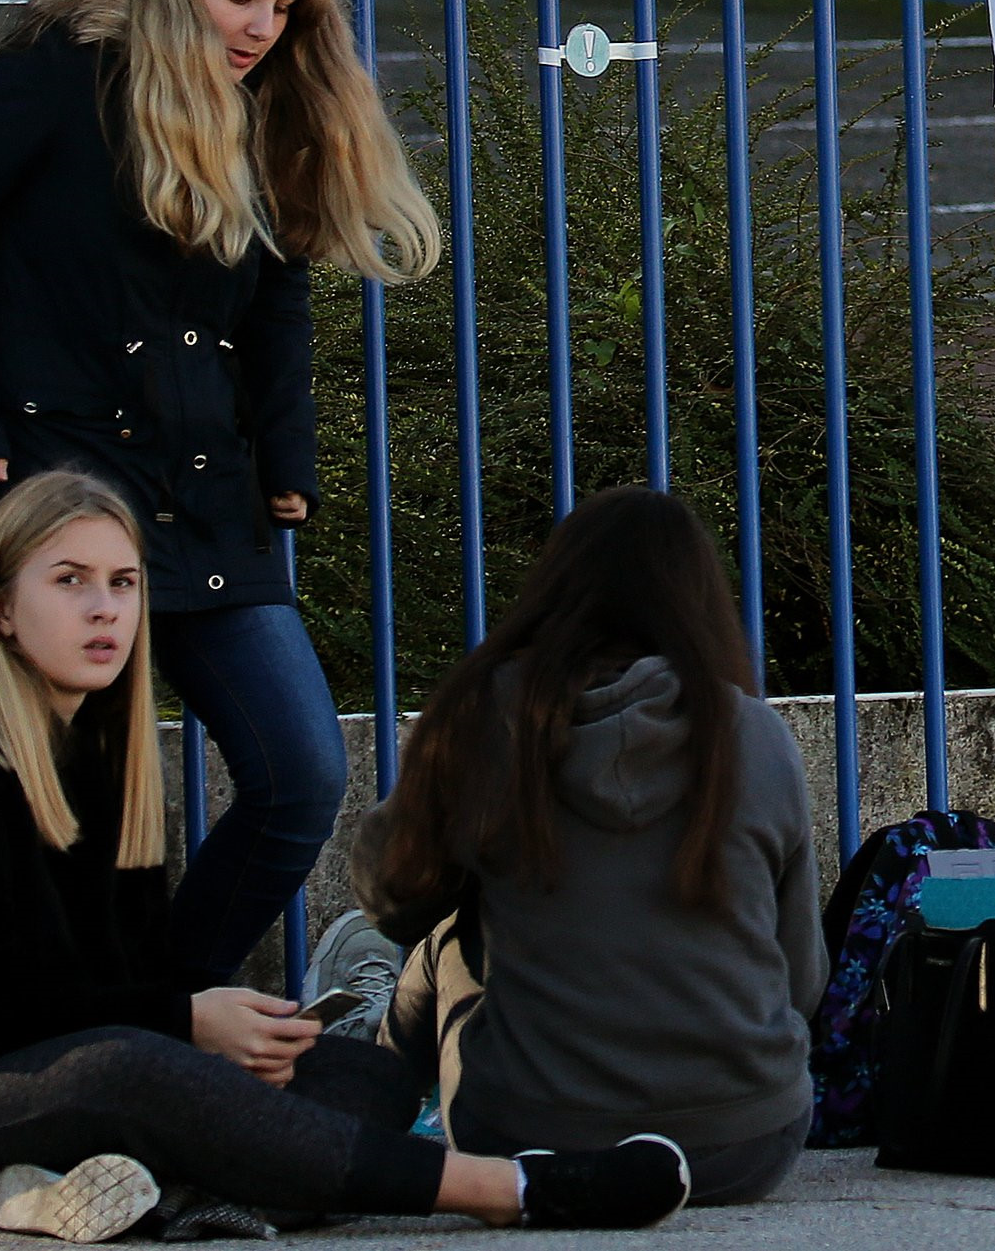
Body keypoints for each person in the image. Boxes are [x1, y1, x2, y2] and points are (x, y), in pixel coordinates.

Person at [0, 470, 693, 1238]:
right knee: (141, 1073)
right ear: (2, 609)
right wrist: (184, 1022)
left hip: (58, 1094)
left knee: (359, 1074)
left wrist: (238, 1036)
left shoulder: (102, 763)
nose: (105, 609)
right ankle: (515, 1189)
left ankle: (106, 1195)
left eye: (125, 582)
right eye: (69, 581)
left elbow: (128, 976)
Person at [0, 0, 438, 989]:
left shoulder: (263, 108)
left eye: (283, 8)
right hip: (54, 491)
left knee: (300, 772)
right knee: (62, 798)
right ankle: (80, 1039)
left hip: (207, 496)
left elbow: (280, 288)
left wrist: (288, 457)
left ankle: (155, 1010)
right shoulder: (55, 80)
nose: (262, 29)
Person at [340, 486, 825, 1206]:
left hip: (527, 1138)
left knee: (444, 940)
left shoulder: (488, 714)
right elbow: (801, 979)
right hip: (744, 1145)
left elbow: (388, 895)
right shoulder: (753, 734)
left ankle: (354, 1129)